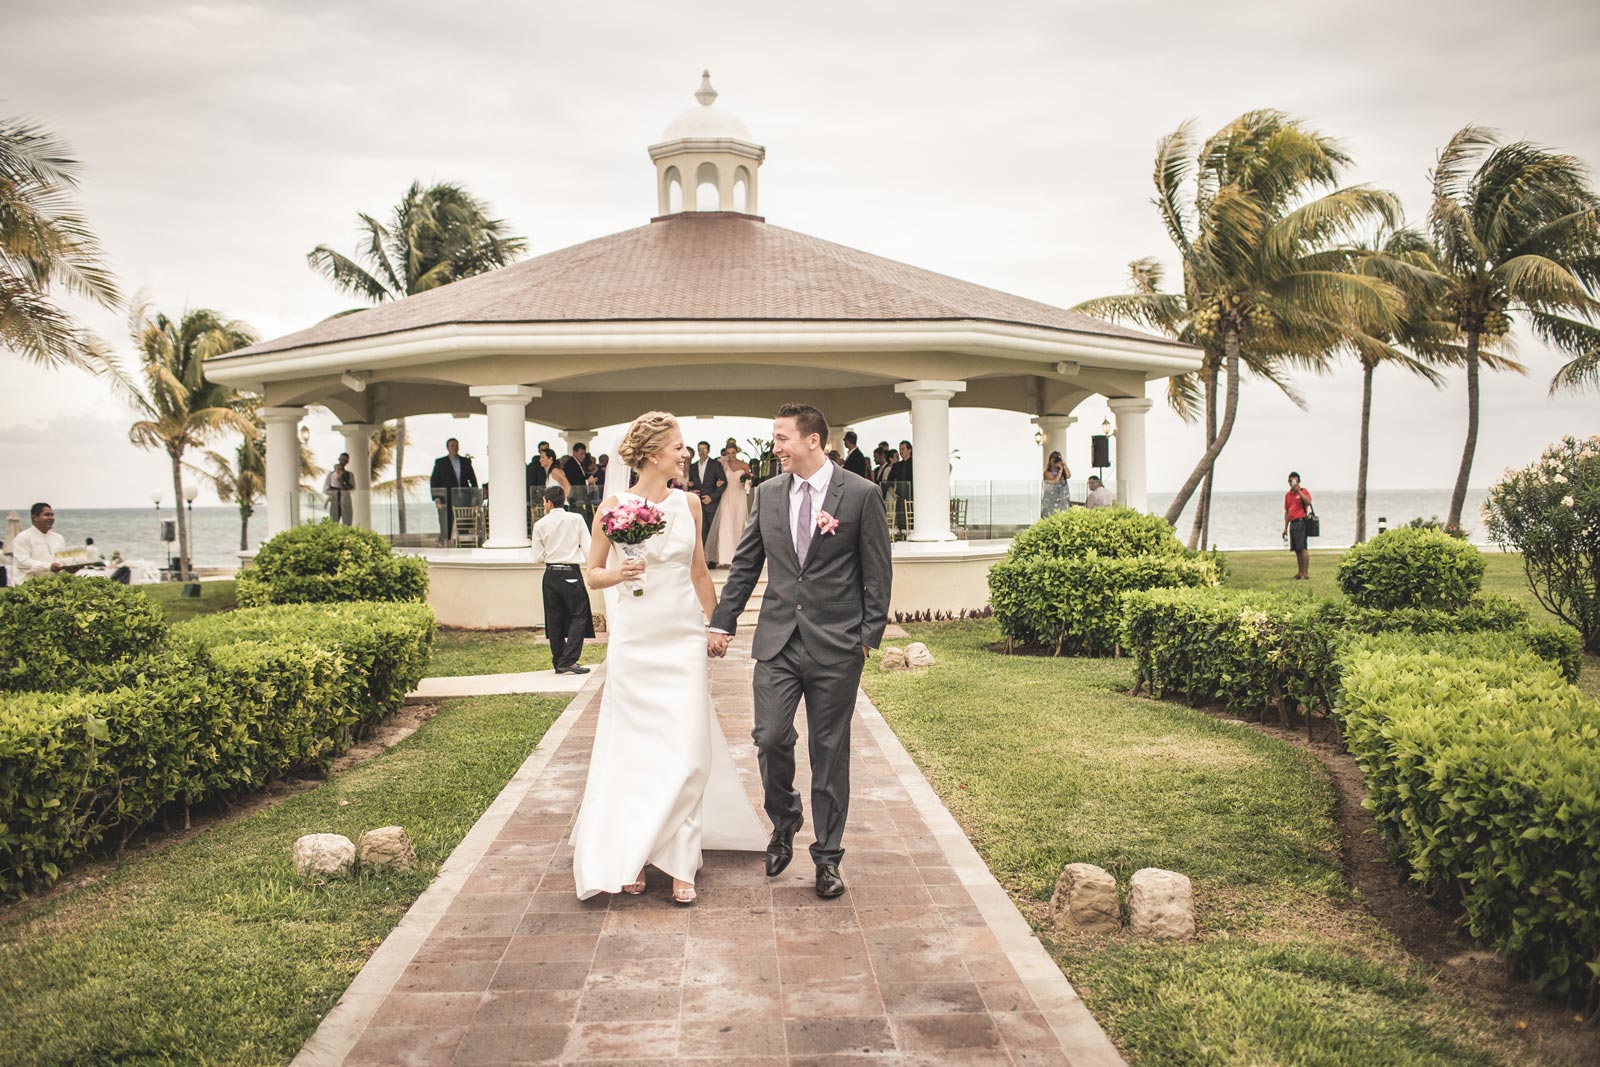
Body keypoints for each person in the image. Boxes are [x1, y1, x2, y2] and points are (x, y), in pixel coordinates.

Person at [572, 411, 767, 905]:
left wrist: (717, 622)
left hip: (681, 639)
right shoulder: (613, 507)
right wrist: (620, 574)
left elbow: (700, 572)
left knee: (685, 751)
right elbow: (592, 572)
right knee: (635, 752)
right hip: (636, 642)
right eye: (679, 447)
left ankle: (682, 861)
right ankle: (633, 854)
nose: (685, 454)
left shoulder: (688, 506)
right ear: (654, 453)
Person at [709, 402, 894, 899]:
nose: (776, 447)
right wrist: (722, 623)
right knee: (770, 737)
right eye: (775, 438)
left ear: (813, 439)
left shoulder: (860, 494)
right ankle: (785, 818)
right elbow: (746, 565)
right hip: (777, 641)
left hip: (837, 645)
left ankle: (829, 857)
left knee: (830, 752)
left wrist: (866, 638)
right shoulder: (768, 494)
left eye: (782, 438)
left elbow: (877, 572)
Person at [531, 485, 595, 674]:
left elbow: (536, 557)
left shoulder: (540, 524)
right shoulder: (576, 519)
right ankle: (568, 659)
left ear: (549, 502)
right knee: (579, 614)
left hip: (550, 573)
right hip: (570, 572)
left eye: (544, 501)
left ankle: (559, 659)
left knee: (553, 618)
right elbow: (588, 548)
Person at [12, 503, 84, 583]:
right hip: (29, 587)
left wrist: (69, 569)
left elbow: (61, 563)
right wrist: (49, 566)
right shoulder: (23, 537)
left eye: (52, 515)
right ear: (35, 517)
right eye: (47, 515)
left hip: (54, 587)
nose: (51, 518)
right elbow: (22, 563)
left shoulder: (58, 538)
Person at [706, 443, 751, 567]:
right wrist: (718, 483)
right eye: (728, 453)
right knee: (725, 524)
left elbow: (749, 483)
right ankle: (725, 557)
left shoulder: (745, 465)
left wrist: (748, 481)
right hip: (726, 496)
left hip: (740, 496)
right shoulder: (722, 464)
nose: (730, 456)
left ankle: (739, 557)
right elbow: (715, 477)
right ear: (725, 453)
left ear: (737, 453)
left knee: (738, 525)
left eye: (733, 453)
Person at [429, 438, 478, 545]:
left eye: (456, 445)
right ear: (447, 448)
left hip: (463, 498)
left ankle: (464, 547)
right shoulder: (440, 462)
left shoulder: (465, 462)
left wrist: (475, 496)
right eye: (452, 446)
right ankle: (445, 546)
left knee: (464, 524)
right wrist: (437, 499)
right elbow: (434, 481)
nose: (454, 448)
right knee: (445, 525)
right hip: (447, 499)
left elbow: (473, 480)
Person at [684, 440, 726, 552]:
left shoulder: (716, 465)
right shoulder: (693, 466)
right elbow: (691, 484)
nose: (701, 452)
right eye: (699, 449)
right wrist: (691, 490)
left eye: (704, 449)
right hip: (698, 503)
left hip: (712, 503)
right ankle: (701, 558)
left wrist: (712, 497)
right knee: (700, 531)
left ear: (709, 450)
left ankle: (711, 559)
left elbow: (723, 483)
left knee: (712, 532)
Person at [1283, 471, 1314, 580]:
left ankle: (1305, 573)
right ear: (1289, 482)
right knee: (1296, 549)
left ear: (1299, 481)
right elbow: (1287, 512)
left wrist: (1299, 492)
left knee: (1302, 548)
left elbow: (1308, 502)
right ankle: (1300, 572)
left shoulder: (1303, 491)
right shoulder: (1288, 495)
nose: (1293, 483)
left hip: (1301, 522)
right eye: (1291, 481)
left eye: (1295, 481)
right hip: (1293, 523)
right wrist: (1285, 528)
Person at [325, 452, 354, 524]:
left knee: (347, 523)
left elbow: (352, 488)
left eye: (345, 460)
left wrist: (343, 484)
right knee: (333, 523)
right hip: (335, 502)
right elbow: (326, 489)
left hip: (346, 502)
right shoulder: (331, 474)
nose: (343, 462)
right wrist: (337, 490)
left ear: (348, 462)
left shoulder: (350, 474)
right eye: (342, 459)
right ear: (339, 459)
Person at [1042, 451, 1071, 516]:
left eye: (1058, 458)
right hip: (1051, 499)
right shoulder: (1047, 473)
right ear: (1050, 460)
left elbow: (1068, 476)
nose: (1056, 460)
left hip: (1062, 499)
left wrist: (1064, 465)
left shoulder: (1062, 471)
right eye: (1054, 458)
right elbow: (1055, 481)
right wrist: (1060, 471)